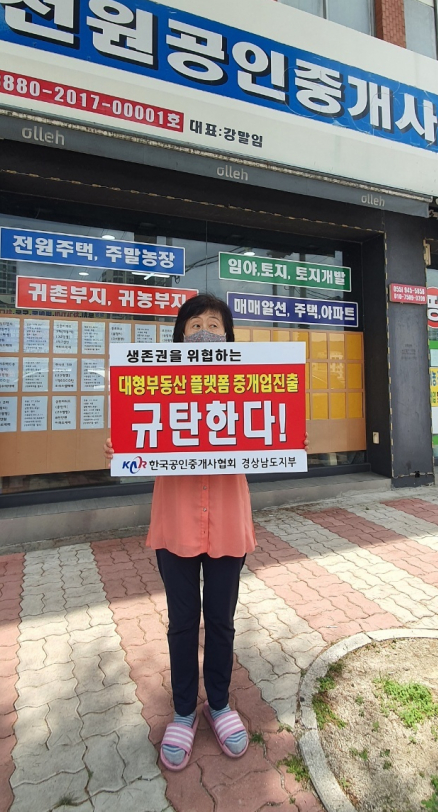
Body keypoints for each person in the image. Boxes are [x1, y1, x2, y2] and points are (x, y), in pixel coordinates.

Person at [104, 293, 308, 771]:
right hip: (175, 520)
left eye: (214, 324)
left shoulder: (247, 385)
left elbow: (272, 426)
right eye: (194, 324)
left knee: (220, 619)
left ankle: (218, 703)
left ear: (229, 338)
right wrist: (121, 444)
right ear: (179, 336)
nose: (204, 331)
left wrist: (290, 436)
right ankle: (182, 711)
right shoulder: (157, 386)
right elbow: (138, 434)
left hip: (228, 521)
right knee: (182, 622)